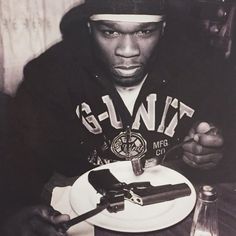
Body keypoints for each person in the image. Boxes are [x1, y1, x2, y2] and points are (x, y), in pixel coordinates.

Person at [3, 0, 235, 234]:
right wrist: (16, 209)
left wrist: (217, 150)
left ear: (163, 28)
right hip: (83, 212)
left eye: (145, 31)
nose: (127, 50)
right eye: (109, 31)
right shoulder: (50, 73)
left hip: (174, 212)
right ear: (89, 28)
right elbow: (20, 155)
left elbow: (226, 136)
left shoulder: (202, 68)